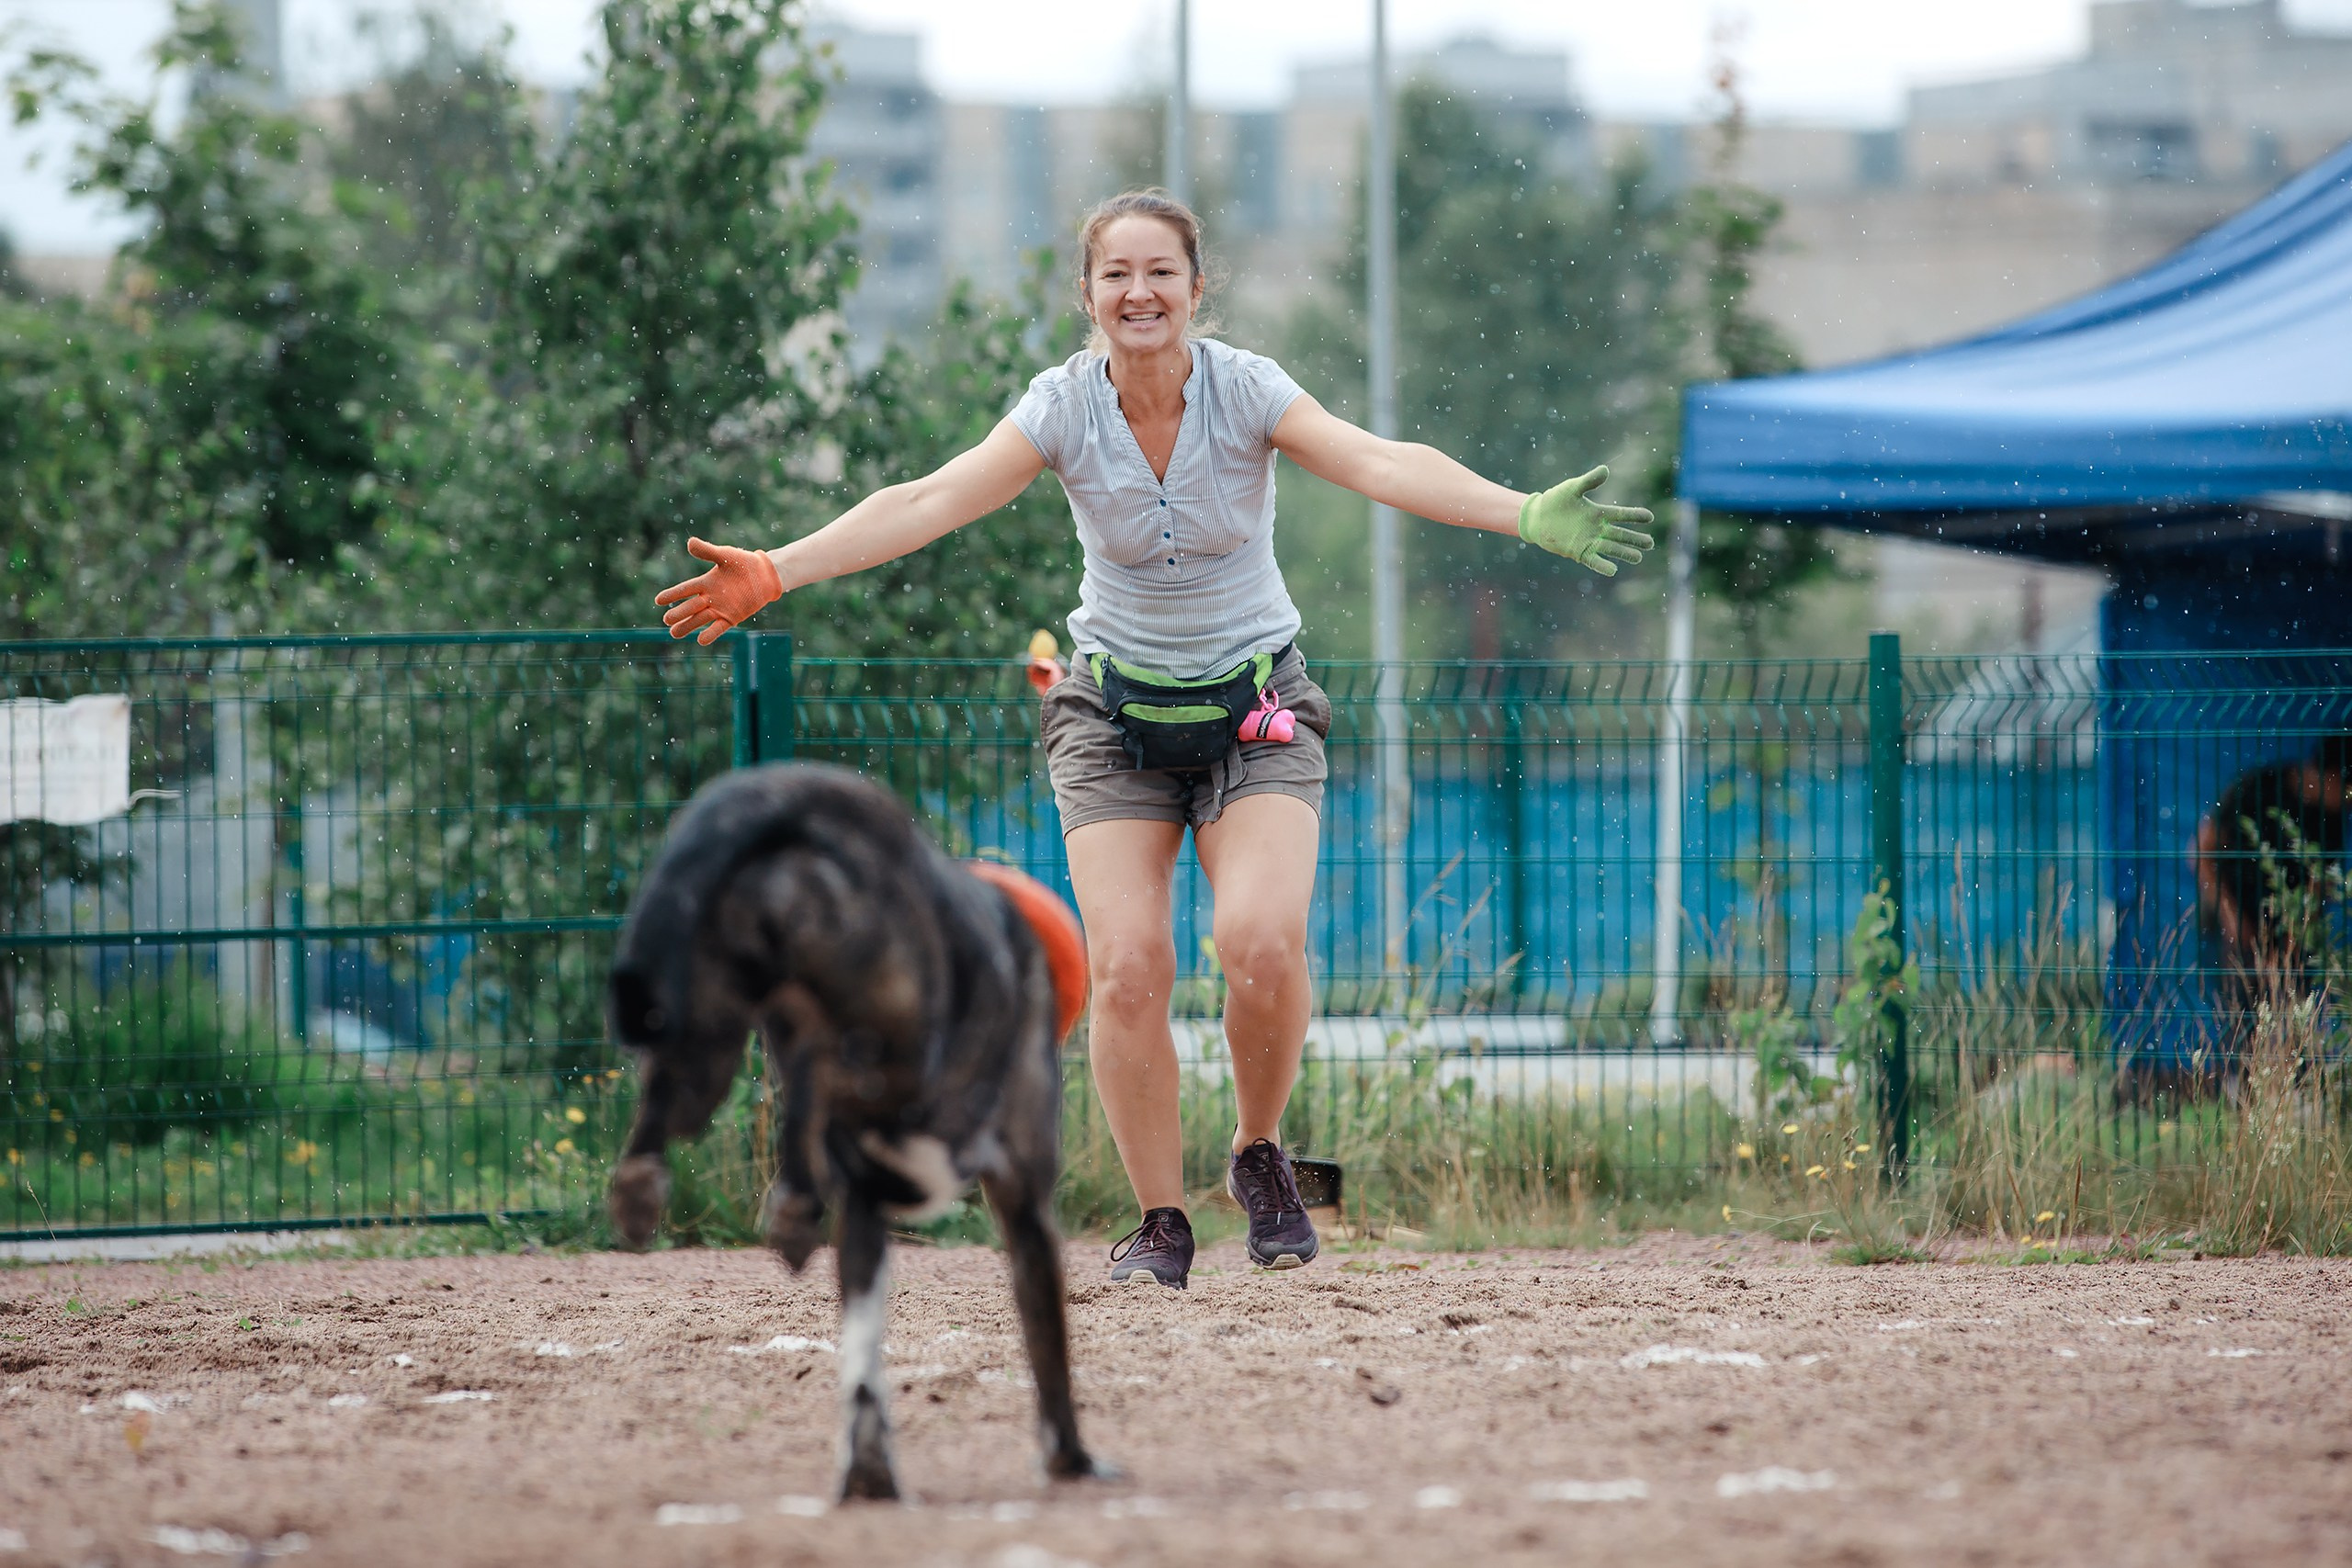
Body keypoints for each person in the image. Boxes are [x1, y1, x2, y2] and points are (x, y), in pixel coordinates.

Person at [654, 189, 1654, 1288]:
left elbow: (1377, 461)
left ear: (1194, 287)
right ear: (1087, 296)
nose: (1139, 292)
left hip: (1255, 709)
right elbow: (927, 500)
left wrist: (1520, 510)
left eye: (1160, 271)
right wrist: (778, 568)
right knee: (1128, 968)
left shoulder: (1247, 390)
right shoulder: (1061, 407)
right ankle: (1159, 1221)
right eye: (1116, 274)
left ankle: (1259, 1153)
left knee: (1258, 942)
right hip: (1111, 716)